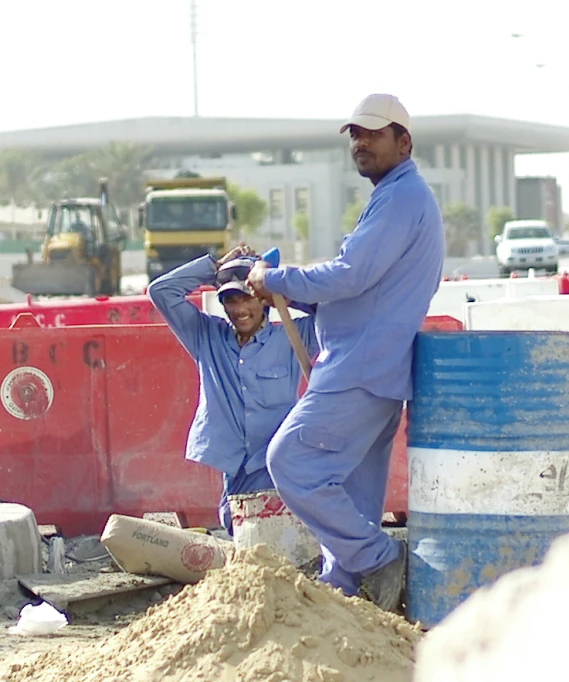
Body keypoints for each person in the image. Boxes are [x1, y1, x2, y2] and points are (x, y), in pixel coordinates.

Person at [247, 93, 445, 611]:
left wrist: (277, 278)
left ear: (404, 141)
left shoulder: (401, 199)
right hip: (376, 369)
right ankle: (348, 599)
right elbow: (367, 290)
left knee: (288, 459)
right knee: (353, 499)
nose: (360, 142)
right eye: (355, 134)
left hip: (359, 368)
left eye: (373, 133)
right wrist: (292, 294)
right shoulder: (396, 198)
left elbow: (351, 274)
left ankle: (378, 559)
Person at [147, 244, 318, 535]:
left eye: (247, 299)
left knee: (273, 535)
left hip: (277, 466)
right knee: (232, 523)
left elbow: (336, 312)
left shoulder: (292, 335)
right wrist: (215, 267)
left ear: (262, 301)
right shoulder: (206, 336)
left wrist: (275, 285)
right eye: (230, 301)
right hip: (234, 468)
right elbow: (161, 291)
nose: (239, 310)